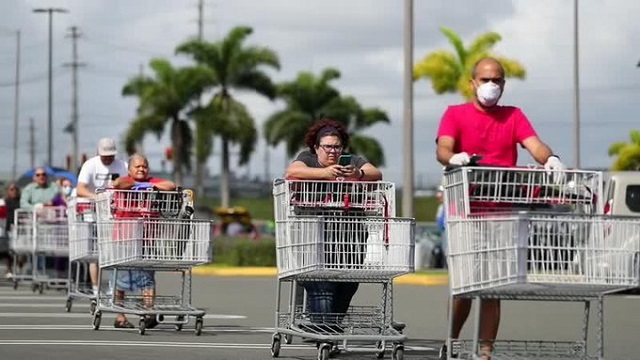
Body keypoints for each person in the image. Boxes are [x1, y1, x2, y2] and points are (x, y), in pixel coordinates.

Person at [435, 57, 565, 359]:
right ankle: (451, 340)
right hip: (466, 213)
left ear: (504, 84)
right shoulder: (455, 114)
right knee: (465, 287)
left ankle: (485, 352)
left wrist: (550, 158)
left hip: (503, 213)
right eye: (485, 80)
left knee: (494, 288)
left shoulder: (514, 116)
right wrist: (454, 157)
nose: (491, 86)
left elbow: (535, 145)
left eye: (497, 80)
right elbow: (444, 147)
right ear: (473, 82)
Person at [285, 118, 382, 328]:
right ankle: (325, 329)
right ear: (316, 147)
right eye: (327, 146)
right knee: (321, 282)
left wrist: (359, 174)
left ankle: (329, 325)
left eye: (337, 147)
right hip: (313, 233)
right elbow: (292, 172)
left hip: (349, 234)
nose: (332, 151)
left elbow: (376, 173)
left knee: (348, 281)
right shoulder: (307, 159)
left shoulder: (351, 161)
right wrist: (324, 173)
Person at [110, 154, 176, 329]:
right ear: (129, 169)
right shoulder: (125, 181)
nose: (141, 169)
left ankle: (149, 312)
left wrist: (148, 185)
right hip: (125, 236)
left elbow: (170, 186)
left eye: (144, 167)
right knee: (121, 276)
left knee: (147, 276)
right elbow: (117, 184)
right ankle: (120, 316)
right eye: (137, 167)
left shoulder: (153, 181)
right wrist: (137, 185)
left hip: (147, 237)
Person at [76, 138, 128, 296]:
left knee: (113, 251)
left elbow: (129, 184)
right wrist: (96, 197)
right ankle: (95, 288)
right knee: (94, 253)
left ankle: (114, 287)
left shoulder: (122, 165)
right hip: (91, 211)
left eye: (110, 155)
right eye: (104, 155)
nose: (108, 158)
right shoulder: (90, 165)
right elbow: (80, 189)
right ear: (98, 153)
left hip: (112, 212)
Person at [2, 183, 21, 278]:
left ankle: (19, 265)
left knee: (21, 250)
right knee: (8, 250)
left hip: (20, 229)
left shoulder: (21, 202)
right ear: (8, 191)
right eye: (11, 189)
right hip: (7, 228)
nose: (14, 191)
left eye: (15, 189)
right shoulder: (4, 202)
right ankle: (9, 269)